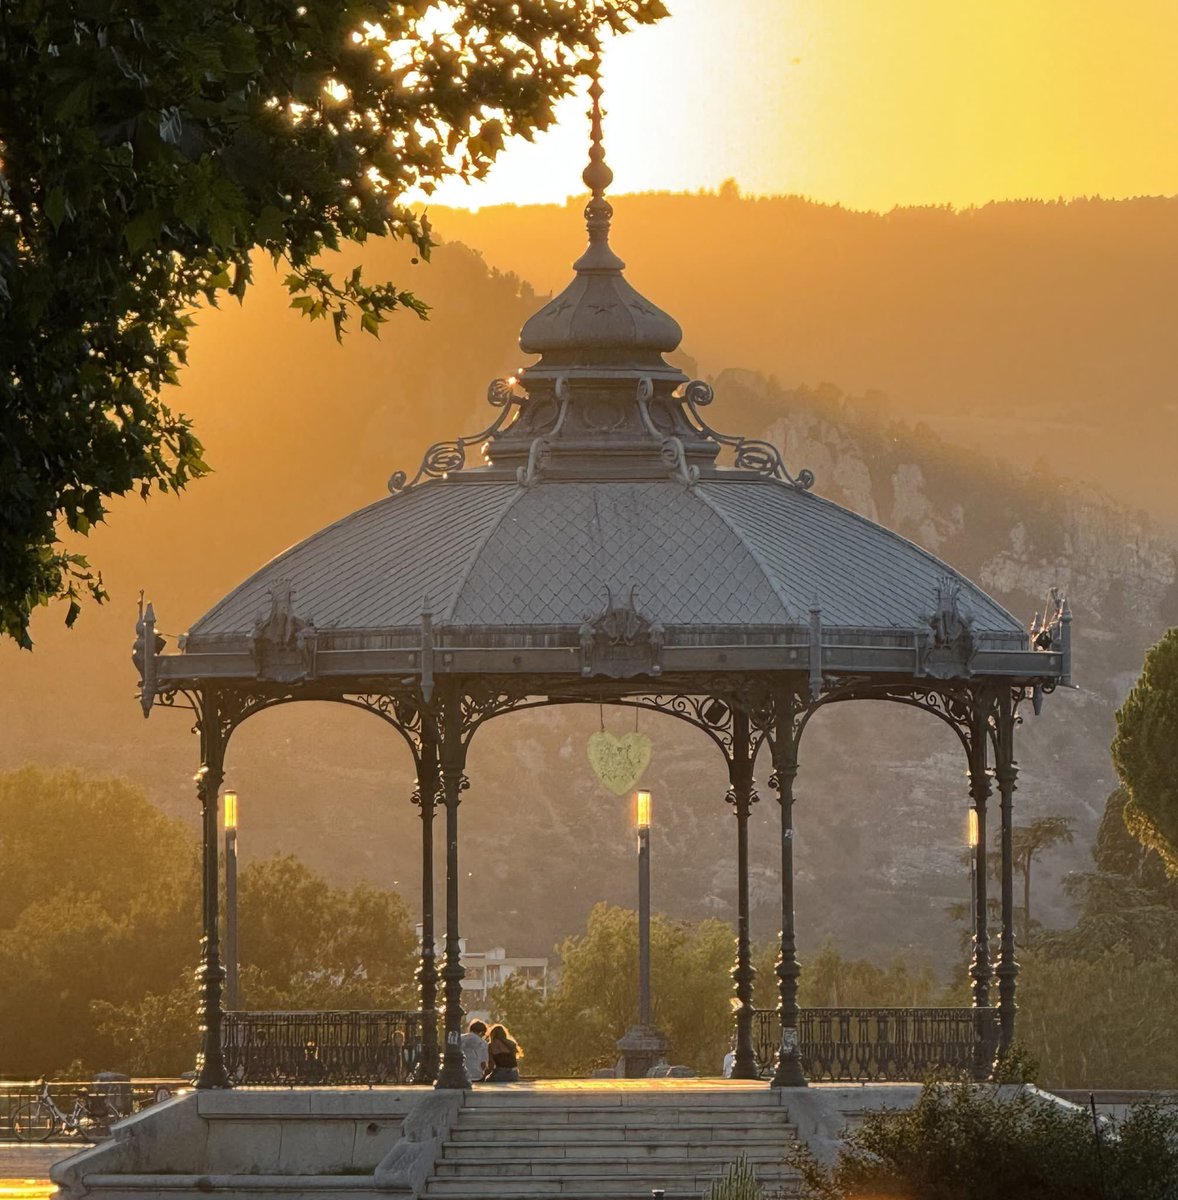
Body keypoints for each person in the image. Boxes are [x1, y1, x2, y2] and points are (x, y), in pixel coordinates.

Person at [460, 1019, 489, 1084]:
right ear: (482, 1032)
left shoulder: (460, 1038)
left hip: (461, 1075)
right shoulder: (483, 1043)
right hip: (477, 1076)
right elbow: (483, 1063)